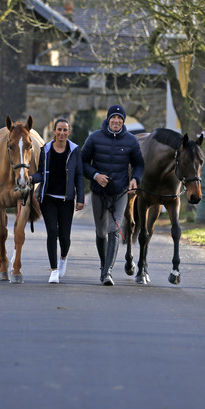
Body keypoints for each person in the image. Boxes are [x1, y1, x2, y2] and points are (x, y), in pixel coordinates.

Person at [81, 104, 144, 285]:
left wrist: (135, 180)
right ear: (108, 120)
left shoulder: (131, 141)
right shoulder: (94, 138)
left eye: (120, 118)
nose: (116, 121)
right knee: (101, 233)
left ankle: (107, 272)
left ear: (123, 121)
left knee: (113, 230)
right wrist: (95, 175)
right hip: (98, 192)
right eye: (113, 118)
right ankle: (103, 265)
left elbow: (139, 164)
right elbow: (83, 162)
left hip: (120, 191)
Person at [30, 118, 85, 284]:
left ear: (69, 132)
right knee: (52, 233)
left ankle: (63, 258)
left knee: (65, 237)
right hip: (48, 199)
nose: (61, 133)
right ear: (54, 131)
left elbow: (79, 176)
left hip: (66, 200)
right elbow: (41, 173)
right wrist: (31, 178)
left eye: (65, 130)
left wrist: (80, 198)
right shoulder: (45, 149)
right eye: (59, 130)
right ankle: (53, 270)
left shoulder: (74, 150)